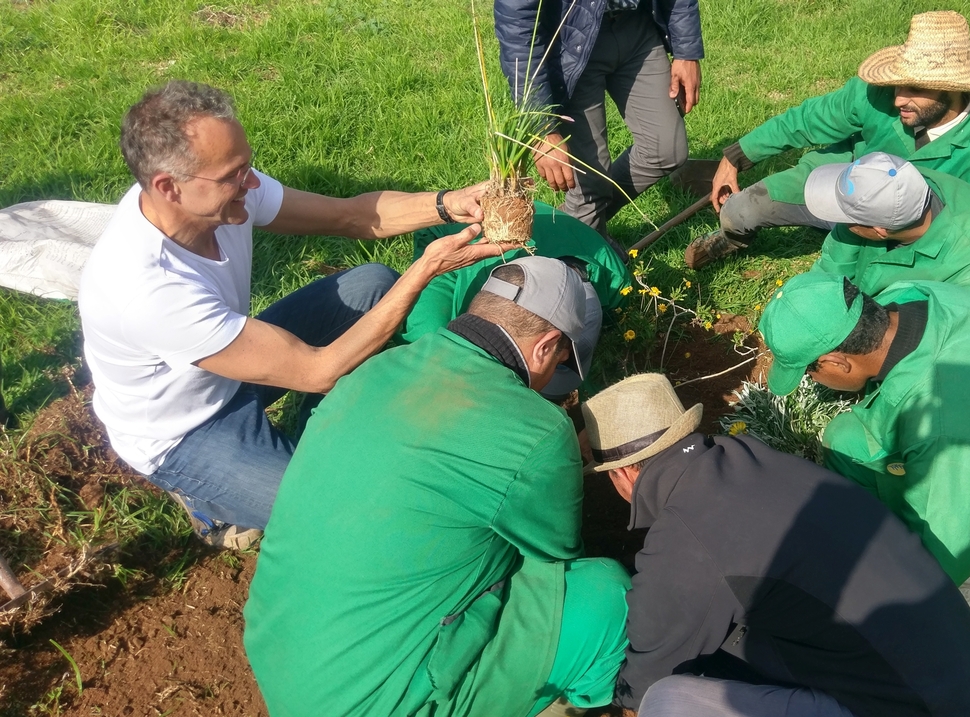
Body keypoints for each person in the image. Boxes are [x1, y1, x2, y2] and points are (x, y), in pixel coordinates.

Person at [77, 80, 509, 548]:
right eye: (233, 175)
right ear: (169, 187)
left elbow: (349, 216)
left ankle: (308, 427)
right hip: (184, 430)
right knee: (338, 509)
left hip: (225, 363)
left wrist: (447, 203)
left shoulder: (221, 195)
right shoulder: (146, 291)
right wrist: (425, 269)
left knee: (371, 285)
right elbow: (319, 371)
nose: (251, 183)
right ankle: (208, 501)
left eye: (246, 165)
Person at [244, 256, 631, 717]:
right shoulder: (539, 431)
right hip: (374, 705)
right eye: (561, 359)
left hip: (281, 657)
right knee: (605, 598)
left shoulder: (370, 371)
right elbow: (556, 553)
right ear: (546, 346)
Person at [580, 373, 970, 717]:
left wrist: (625, 702)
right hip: (969, 677)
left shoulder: (685, 537)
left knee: (667, 703)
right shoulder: (750, 458)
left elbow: (649, 670)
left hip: (917, 708)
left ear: (623, 474)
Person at [685, 10, 970, 324]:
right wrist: (735, 156)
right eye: (898, 84)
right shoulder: (873, 95)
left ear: (953, 89)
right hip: (840, 182)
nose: (898, 98)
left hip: (903, 229)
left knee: (891, 308)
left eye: (915, 88)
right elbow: (808, 120)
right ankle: (731, 241)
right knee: (741, 211)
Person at [758, 274, 970, 628]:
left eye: (810, 370)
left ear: (837, 362)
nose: (811, 380)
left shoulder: (945, 426)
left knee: (886, 483)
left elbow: (945, 550)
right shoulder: (912, 295)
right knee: (847, 438)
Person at [494, 0, 703, 239]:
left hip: (636, 28)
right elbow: (516, 24)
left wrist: (687, 51)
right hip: (569, 42)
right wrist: (542, 127)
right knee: (590, 183)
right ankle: (582, 249)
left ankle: (571, 224)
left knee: (666, 151)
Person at [401, 201, 630, 400]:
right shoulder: (437, 315)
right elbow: (426, 363)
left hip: (560, 231)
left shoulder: (618, 285)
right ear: (542, 348)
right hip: (462, 225)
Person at [804, 152, 970, 310]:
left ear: (879, 230)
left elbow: (955, 338)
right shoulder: (897, 180)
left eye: (846, 219)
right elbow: (830, 269)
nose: (841, 223)